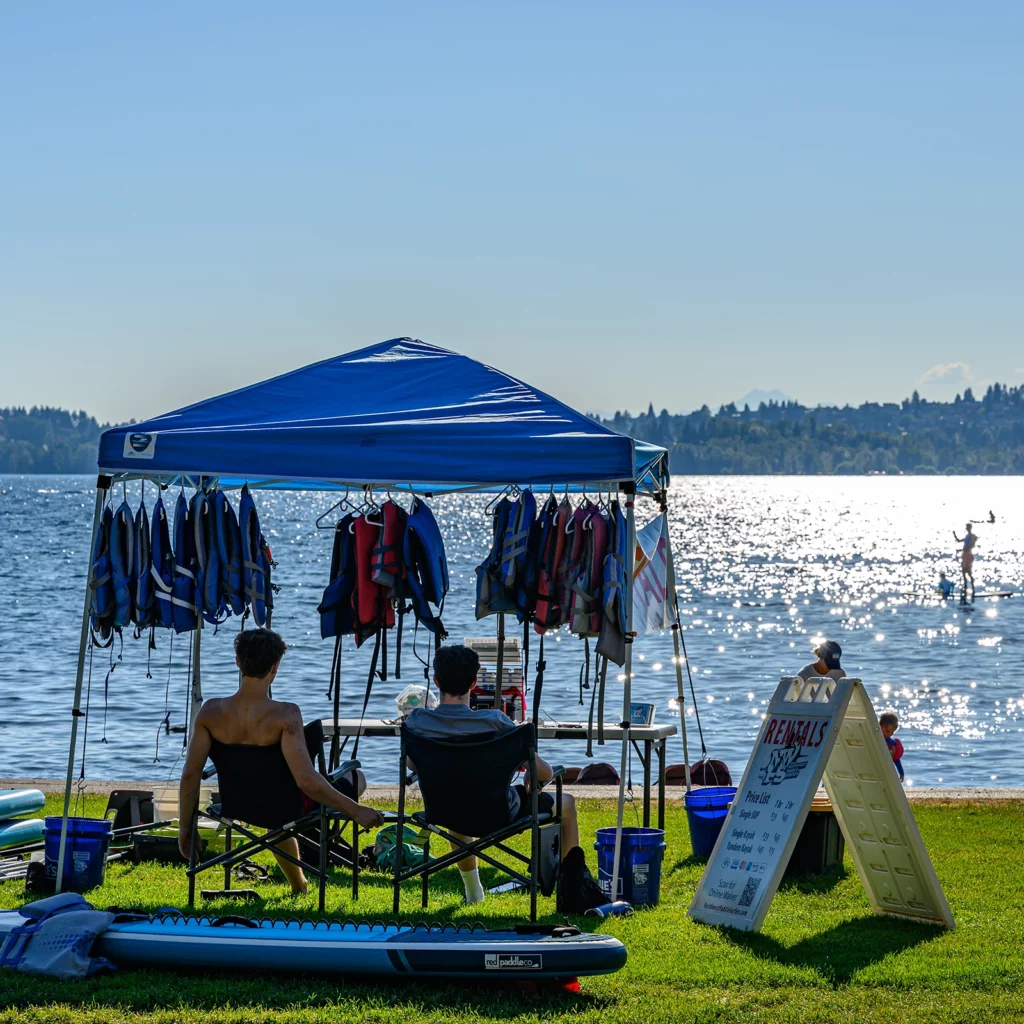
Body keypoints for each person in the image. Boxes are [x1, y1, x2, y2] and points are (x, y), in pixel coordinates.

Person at [178, 629, 384, 893]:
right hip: (283, 807)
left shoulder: (210, 713)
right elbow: (306, 780)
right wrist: (355, 810)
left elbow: (190, 775)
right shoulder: (286, 715)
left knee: (276, 816)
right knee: (357, 778)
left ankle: (300, 885)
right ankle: (300, 884)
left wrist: (186, 828)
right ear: (275, 666)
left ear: (237, 661)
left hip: (236, 805)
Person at [406, 644, 601, 910]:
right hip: (498, 813)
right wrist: (532, 775)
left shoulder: (417, 722)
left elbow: (411, 764)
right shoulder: (496, 722)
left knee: (458, 796)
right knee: (566, 803)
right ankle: (571, 888)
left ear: (436, 680)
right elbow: (543, 773)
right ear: (474, 683)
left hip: (441, 810)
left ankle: (473, 892)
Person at [879, 711, 904, 782]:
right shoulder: (874, 738)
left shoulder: (892, 744)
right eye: (887, 731)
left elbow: (896, 760)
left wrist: (901, 772)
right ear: (880, 726)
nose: (889, 734)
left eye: (892, 732)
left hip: (884, 770)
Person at [953, 522, 976, 600]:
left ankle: (973, 588)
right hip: (965, 554)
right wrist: (954, 535)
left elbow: (971, 544)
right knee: (964, 572)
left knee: (968, 572)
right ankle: (965, 588)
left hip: (968, 554)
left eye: (967, 527)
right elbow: (959, 541)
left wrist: (964, 549)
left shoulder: (971, 536)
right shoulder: (967, 536)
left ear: (969, 528)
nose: (966, 528)